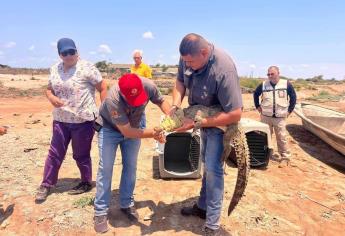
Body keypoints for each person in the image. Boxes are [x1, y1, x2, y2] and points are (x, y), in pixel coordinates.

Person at [171, 33, 243, 236]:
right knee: (205, 164)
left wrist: (200, 122)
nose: (188, 65)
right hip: (201, 116)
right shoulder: (188, 56)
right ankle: (203, 207)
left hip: (220, 123)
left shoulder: (224, 69)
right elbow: (179, 82)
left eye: (191, 62)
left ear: (204, 52)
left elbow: (235, 113)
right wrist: (176, 105)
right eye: (185, 61)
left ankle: (212, 225)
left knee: (213, 170)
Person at [93, 73, 169, 233]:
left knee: (130, 165)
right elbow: (127, 132)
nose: (138, 103)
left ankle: (126, 203)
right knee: (105, 168)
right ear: (122, 93)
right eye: (132, 100)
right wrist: (154, 134)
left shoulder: (148, 85)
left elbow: (161, 101)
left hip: (136, 122)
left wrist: (171, 117)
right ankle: (100, 211)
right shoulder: (113, 99)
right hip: (109, 128)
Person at [35, 38, 107, 203]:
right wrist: (52, 98)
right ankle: (46, 184)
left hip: (83, 121)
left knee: (81, 154)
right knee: (55, 153)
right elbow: (48, 90)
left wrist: (104, 110)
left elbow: (103, 87)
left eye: (71, 51)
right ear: (59, 54)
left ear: (77, 51)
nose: (69, 55)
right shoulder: (54, 69)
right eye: (64, 53)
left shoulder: (87, 67)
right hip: (61, 119)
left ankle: (86, 182)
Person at [253, 66, 296, 162]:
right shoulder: (263, 84)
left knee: (281, 137)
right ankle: (266, 154)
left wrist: (289, 110)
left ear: (278, 73)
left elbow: (293, 98)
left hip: (280, 117)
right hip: (265, 116)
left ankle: (285, 156)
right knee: (265, 136)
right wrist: (257, 106)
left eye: (272, 74)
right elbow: (255, 94)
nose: (270, 76)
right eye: (268, 74)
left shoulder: (286, 84)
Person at [130, 49, 153, 129]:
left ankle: (142, 127)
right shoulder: (132, 67)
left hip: (142, 92)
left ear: (141, 58)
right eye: (135, 58)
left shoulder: (145, 67)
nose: (136, 59)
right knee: (133, 109)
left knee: (141, 110)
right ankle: (135, 126)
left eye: (138, 58)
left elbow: (149, 80)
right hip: (133, 92)